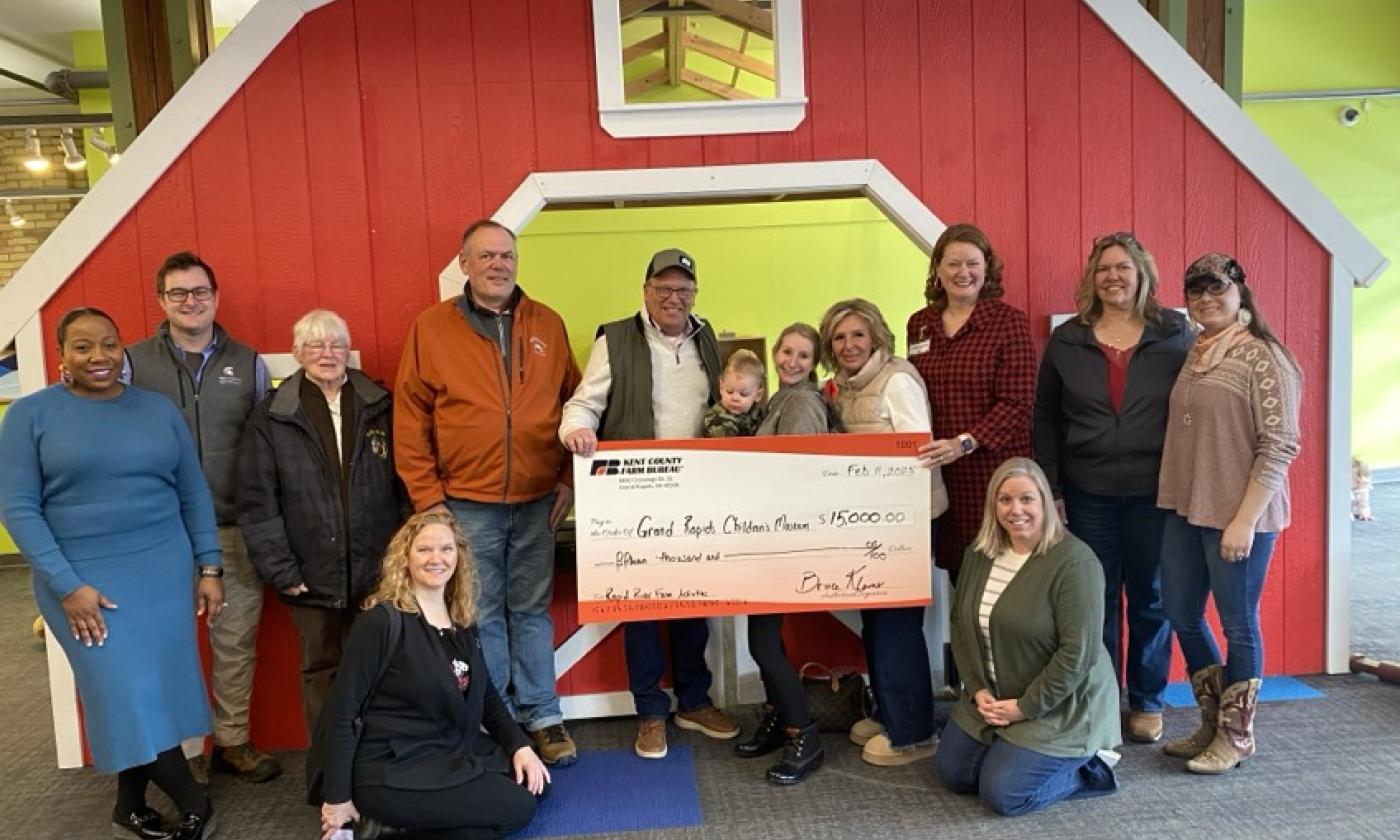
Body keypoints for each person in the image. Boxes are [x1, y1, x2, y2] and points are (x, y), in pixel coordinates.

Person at [0, 308, 224, 840]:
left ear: (123, 349)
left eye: (108, 344)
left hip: (163, 574)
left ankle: (128, 807)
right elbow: (18, 507)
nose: (98, 357)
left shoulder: (157, 410)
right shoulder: (29, 417)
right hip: (79, 581)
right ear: (62, 357)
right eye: (82, 347)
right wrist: (67, 586)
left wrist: (209, 566)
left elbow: (192, 492)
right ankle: (197, 803)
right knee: (123, 691)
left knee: (152, 691)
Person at [395, 220, 582, 766]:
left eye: (507, 255)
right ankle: (501, 724)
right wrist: (428, 500)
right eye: (486, 256)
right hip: (464, 504)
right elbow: (411, 419)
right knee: (479, 614)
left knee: (530, 611)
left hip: (536, 500)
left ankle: (544, 718)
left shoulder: (547, 322)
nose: (498, 264)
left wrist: (568, 479)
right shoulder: (431, 328)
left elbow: (577, 406)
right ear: (464, 264)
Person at [560, 247, 741, 759]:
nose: (673, 297)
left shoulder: (707, 337)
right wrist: (576, 431)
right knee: (640, 609)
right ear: (645, 291)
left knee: (692, 602)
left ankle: (693, 700)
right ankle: (649, 711)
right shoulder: (614, 338)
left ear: (694, 294)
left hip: (695, 496)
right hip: (634, 496)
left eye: (683, 289)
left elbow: (724, 405)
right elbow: (583, 403)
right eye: (663, 288)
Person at [125, 250, 280, 783]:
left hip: (233, 527)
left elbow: (266, 443)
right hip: (158, 531)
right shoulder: (130, 363)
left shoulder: (250, 362)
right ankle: (184, 754)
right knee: (166, 644)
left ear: (215, 298)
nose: (190, 302)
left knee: (235, 642)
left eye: (200, 292)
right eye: (178, 293)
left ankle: (232, 742)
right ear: (160, 301)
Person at [1033, 232, 1193, 744]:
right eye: (1104, 269)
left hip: (1155, 491)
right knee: (1093, 598)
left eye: (1123, 267)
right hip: (1088, 490)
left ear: (1141, 273)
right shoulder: (1069, 339)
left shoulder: (1176, 332)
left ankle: (1146, 700)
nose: (1114, 277)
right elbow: (1046, 419)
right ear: (1091, 278)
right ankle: (1100, 696)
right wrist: (1052, 487)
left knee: (1151, 596)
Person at [317, 511, 550, 840]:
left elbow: (485, 696)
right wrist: (337, 799)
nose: (436, 559)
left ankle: (392, 827)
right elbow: (342, 713)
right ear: (405, 558)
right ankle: (376, 822)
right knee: (517, 807)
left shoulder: (461, 618)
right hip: (394, 766)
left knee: (536, 784)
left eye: (446, 549)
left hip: (449, 751)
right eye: (424, 550)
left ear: (459, 557)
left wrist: (520, 746)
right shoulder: (381, 622)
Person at [1157, 253, 1301, 775]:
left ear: (1242, 291)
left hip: (1239, 514)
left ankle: (1237, 736)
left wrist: (1244, 519)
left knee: (1238, 624)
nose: (1206, 300)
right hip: (1185, 506)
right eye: (1195, 292)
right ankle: (1212, 720)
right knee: (1180, 612)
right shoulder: (1196, 351)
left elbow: (1281, 443)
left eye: (1217, 289)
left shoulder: (1265, 358)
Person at [237, 309, 403, 737]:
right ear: (296, 353)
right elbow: (257, 502)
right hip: (308, 576)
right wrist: (281, 571)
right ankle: (330, 769)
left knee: (382, 666)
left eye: (336, 344)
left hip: (376, 571)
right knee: (322, 669)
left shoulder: (382, 406)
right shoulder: (272, 416)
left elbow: (406, 487)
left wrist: (400, 564)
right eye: (315, 345)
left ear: (349, 351)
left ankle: (377, 760)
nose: (327, 353)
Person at [938, 458, 1120, 816]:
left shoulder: (1075, 563)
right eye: (1005, 500)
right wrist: (976, 690)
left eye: (1027, 499)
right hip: (994, 695)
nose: (1015, 510)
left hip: (1061, 705)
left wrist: (1024, 707)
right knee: (954, 773)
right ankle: (1013, 750)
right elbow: (960, 626)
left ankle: (1091, 768)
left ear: (1046, 504)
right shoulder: (979, 553)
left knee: (1004, 795)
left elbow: (1077, 655)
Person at [818, 298, 948, 767]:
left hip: (904, 521)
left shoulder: (896, 380)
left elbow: (919, 450)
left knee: (895, 625)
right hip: (871, 520)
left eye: (857, 334)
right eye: (839, 337)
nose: (849, 344)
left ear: (876, 336)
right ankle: (891, 711)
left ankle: (913, 732)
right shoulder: (844, 389)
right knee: (876, 621)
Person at [735, 323, 836, 784]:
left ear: (814, 362)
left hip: (785, 539)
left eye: (803, 356)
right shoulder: (778, 399)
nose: (792, 362)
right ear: (774, 353)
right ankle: (781, 718)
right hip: (767, 536)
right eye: (787, 352)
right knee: (764, 643)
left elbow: (801, 474)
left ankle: (804, 734)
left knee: (763, 645)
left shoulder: (802, 403)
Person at [907, 223, 1035, 585]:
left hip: (993, 475)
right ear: (938, 269)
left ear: (987, 268)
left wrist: (963, 442)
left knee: (1001, 582)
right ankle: (965, 645)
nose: (963, 273)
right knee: (960, 579)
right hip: (942, 476)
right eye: (953, 264)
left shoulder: (1008, 323)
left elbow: (1018, 403)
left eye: (973, 264)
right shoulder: (920, 324)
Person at [702, 349, 766, 438]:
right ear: (721, 387)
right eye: (730, 391)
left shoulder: (761, 414)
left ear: (758, 395)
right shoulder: (716, 419)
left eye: (743, 394)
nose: (735, 398)